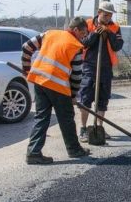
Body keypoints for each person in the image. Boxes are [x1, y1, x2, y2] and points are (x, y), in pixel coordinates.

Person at [22, 16, 90, 164]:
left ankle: (33, 153)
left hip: (40, 81)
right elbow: (77, 76)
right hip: (57, 86)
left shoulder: (49, 33)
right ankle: (74, 149)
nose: (84, 37)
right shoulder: (75, 46)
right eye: (83, 33)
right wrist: (73, 95)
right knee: (66, 118)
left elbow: (26, 47)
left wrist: (27, 71)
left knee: (41, 117)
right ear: (75, 30)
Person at [77, 1, 123, 142]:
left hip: (105, 67)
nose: (108, 18)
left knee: (103, 99)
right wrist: (95, 34)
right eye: (105, 15)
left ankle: (99, 127)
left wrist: (109, 33)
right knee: (86, 98)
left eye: (110, 15)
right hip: (89, 66)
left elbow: (117, 46)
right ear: (99, 12)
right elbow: (83, 43)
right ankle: (84, 129)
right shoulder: (88, 24)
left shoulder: (115, 28)